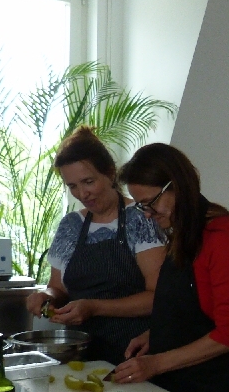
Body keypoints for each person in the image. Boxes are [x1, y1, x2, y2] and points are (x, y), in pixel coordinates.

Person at [111, 143, 229, 392]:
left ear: (176, 186)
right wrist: (156, 333)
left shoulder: (224, 237)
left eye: (150, 202)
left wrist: (156, 364)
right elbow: (189, 308)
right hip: (178, 389)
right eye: (141, 205)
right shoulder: (183, 231)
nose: (147, 214)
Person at [25, 127, 165, 364]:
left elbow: (158, 297)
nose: (82, 193)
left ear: (110, 173)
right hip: (78, 354)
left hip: (133, 353)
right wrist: (46, 297)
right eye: (72, 186)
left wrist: (94, 307)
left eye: (88, 182)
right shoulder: (71, 225)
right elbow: (58, 288)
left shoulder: (142, 218)